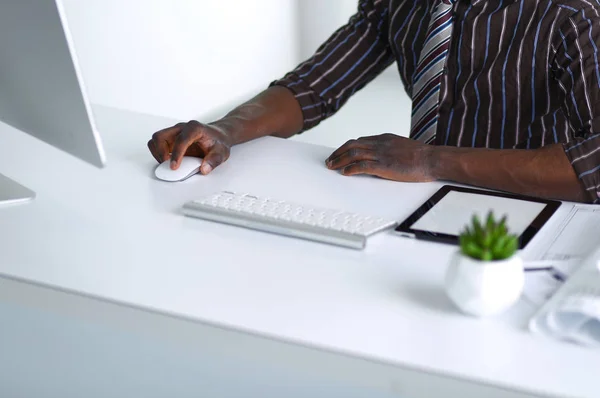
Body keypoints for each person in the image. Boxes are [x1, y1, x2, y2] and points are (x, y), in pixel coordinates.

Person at [147, 0, 600, 204]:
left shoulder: (571, 15)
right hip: (419, 204)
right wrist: (226, 130)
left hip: (525, 211)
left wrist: (431, 161)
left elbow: (594, 163)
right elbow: (314, 86)